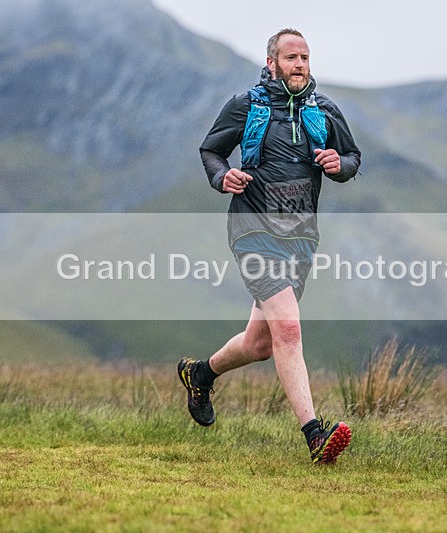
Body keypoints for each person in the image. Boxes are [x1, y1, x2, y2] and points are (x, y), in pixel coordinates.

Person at [178, 28, 361, 464]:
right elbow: (211, 151)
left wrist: (339, 165)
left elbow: (352, 157)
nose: (299, 64)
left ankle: (201, 374)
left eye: (305, 57)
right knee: (289, 329)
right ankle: (315, 436)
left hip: (300, 236)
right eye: (290, 57)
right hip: (252, 229)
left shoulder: (324, 110)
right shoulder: (247, 105)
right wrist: (223, 177)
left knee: (261, 343)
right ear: (271, 63)